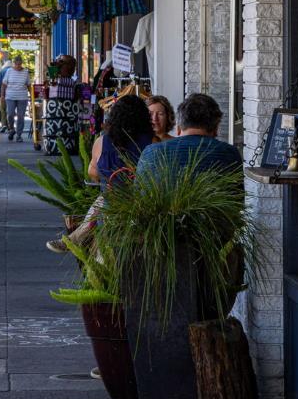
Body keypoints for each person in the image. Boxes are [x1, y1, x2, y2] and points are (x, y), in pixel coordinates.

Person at [48, 94, 155, 252]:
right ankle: (74, 239)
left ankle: (75, 239)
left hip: (111, 206)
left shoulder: (102, 142)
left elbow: (93, 174)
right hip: (145, 206)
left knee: (103, 199)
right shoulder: (153, 142)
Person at [135, 92, 243, 182]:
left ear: (178, 127)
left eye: (160, 114)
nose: (154, 118)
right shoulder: (230, 154)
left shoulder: (150, 153)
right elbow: (238, 201)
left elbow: (139, 199)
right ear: (216, 128)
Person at [41, 55, 84, 156]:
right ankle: (67, 146)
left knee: (58, 126)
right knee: (66, 126)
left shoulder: (59, 81)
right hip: (66, 115)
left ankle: (53, 146)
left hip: (56, 112)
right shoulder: (68, 82)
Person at [0, 55, 33, 141]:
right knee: (10, 114)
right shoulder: (9, 71)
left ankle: (19, 135)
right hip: (10, 96)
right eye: (17, 64)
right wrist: (2, 95)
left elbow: (29, 85)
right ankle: (11, 129)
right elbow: (4, 84)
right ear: (14, 64)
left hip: (22, 97)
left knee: (21, 116)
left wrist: (32, 96)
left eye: (20, 64)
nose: (18, 66)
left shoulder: (25, 72)